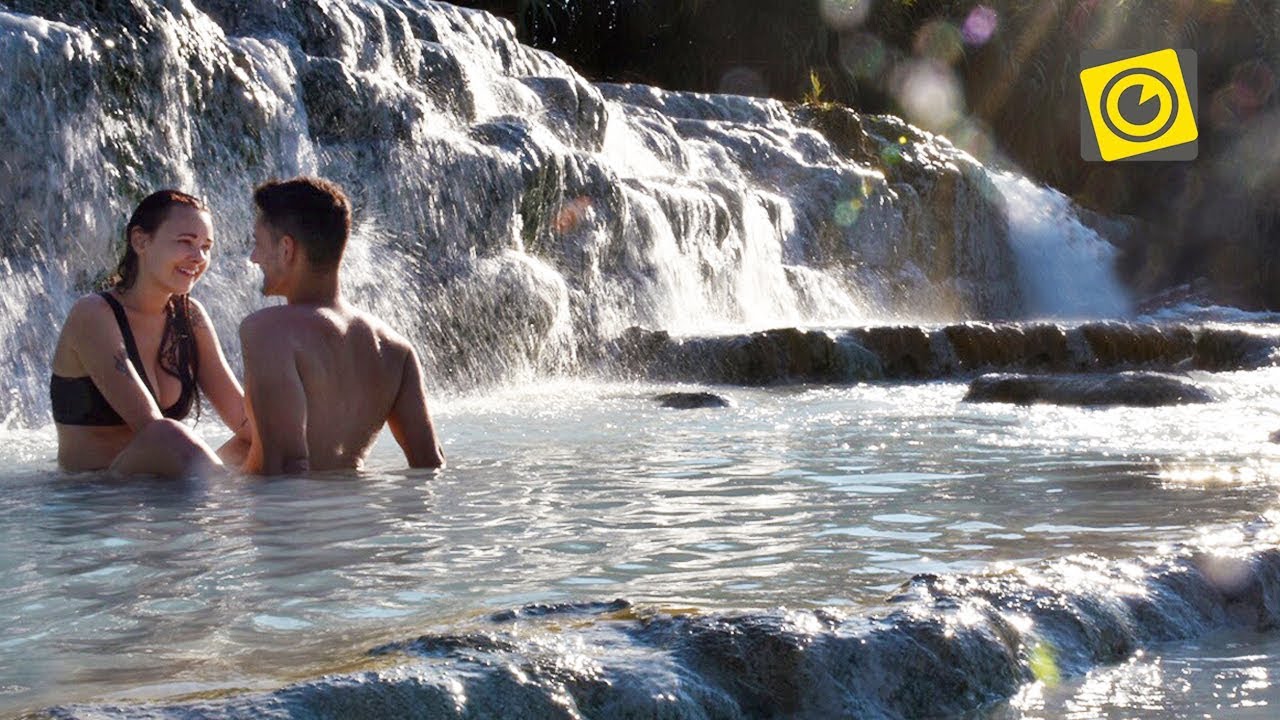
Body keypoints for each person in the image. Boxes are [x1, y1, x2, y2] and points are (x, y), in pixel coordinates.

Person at [239, 176, 444, 474]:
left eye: (257, 244)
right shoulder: (396, 348)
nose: (253, 257)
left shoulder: (267, 331)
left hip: (291, 516)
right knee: (238, 445)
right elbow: (429, 464)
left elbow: (285, 468)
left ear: (286, 249)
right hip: (357, 515)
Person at [50, 190, 253, 477]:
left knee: (265, 439)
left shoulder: (190, 316)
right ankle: (227, 507)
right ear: (140, 241)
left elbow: (245, 420)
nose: (199, 257)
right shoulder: (94, 313)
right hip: (95, 495)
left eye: (206, 247)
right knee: (166, 434)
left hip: (158, 492)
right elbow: (152, 430)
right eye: (186, 242)